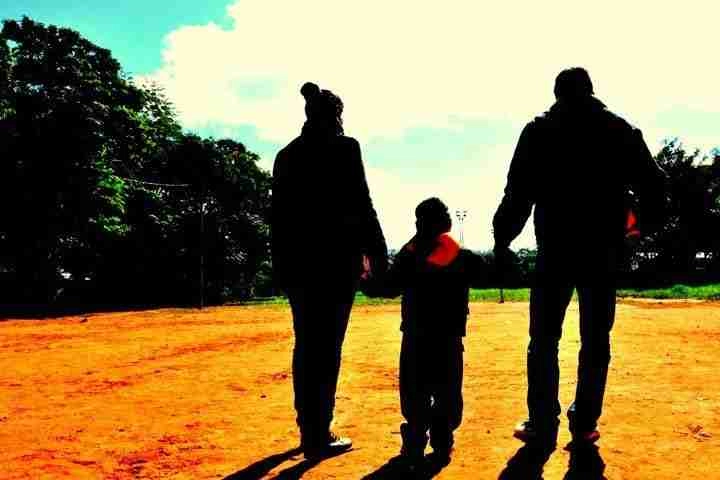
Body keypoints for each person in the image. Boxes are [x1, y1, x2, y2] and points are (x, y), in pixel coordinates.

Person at [492, 67, 666, 446]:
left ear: (557, 94)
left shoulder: (539, 131)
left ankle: (541, 422)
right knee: (595, 339)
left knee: (543, 338)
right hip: (602, 250)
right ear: (591, 91)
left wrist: (503, 239)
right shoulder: (619, 130)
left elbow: (517, 193)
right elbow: (655, 185)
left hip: (554, 247)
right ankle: (584, 423)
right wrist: (638, 228)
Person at [272, 82, 388, 459]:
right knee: (327, 348)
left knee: (306, 345)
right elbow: (362, 203)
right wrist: (379, 257)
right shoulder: (345, 148)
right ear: (336, 116)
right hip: (337, 264)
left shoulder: (286, 156)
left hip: (299, 266)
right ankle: (318, 434)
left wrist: (281, 267)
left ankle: (309, 427)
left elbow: (279, 219)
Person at [365, 197, 488, 470]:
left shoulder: (408, 257)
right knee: (448, 394)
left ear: (419, 224)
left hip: (415, 338)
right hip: (449, 339)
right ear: (443, 223)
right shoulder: (461, 257)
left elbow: (387, 287)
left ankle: (415, 440)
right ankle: (442, 439)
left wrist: (365, 282)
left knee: (414, 393)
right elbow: (486, 274)